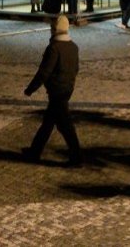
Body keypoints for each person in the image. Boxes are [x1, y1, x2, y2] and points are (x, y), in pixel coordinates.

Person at [22, 15, 82, 166]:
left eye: (51, 28)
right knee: (48, 123)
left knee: (65, 126)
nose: (50, 30)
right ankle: (34, 151)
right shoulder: (73, 47)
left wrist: (31, 89)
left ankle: (77, 158)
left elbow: (44, 72)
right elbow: (75, 69)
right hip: (67, 89)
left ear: (55, 29)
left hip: (57, 91)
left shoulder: (54, 48)